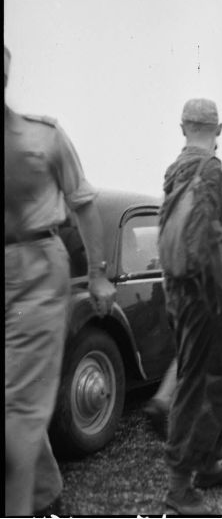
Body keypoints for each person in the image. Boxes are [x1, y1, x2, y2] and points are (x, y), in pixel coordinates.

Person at [4, 45, 116, 516]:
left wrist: (96, 274)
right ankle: (44, 493)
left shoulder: (43, 136)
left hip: (37, 268)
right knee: (18, 399)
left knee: (19, 406)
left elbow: (84, 203)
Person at [160, 98, 222, 515]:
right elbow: (205, 235)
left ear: (182, 128)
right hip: (206, 291)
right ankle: (180, 486)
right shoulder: (210, 169)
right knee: (200, 385)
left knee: (210, 378)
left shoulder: (174, 170)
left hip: (181, 289)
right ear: (219, 128)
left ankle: (210, 464)